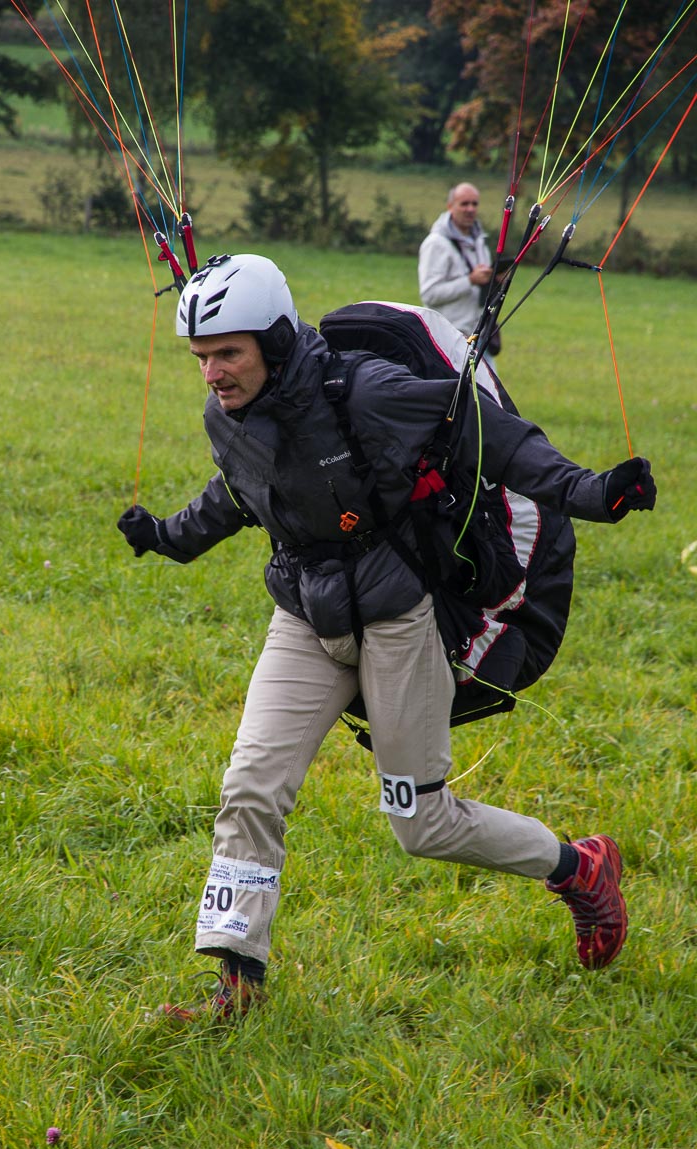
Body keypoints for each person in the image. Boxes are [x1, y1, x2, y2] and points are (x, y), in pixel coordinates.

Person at [117, 253, 656, 1021]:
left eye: (227, 353)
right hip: (306, 613)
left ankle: (578, 865)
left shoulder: (367, 393)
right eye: (201, 357)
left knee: (421, 823)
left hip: (398, 617)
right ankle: (237, 987)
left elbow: (493, 438)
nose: (212, 373)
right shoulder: (225, 413)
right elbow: (240, 490)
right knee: (251, 787)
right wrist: (168, 538)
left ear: (274, 340)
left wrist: (592, 492)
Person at [418, 182, 496, 353]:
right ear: (450, 206)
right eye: (464, 204)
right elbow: (430, 294)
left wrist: (495, 280)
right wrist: (470, 281)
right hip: (448, 338)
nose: (470, 209)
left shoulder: (480, 241)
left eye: (474, 204)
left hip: (479, 335)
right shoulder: (436, 244)